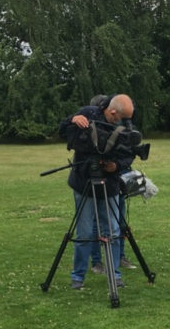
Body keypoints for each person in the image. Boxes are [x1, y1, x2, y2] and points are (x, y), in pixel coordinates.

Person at [57, 93, 137, 289]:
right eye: (123, 118)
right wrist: (71, 120)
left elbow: (130, 154)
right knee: (84, 232)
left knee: (113, 231)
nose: (127, 122)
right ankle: (78, 278)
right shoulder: (87, 113)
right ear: (112, 111)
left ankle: (115, 275)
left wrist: (116, 166)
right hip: (84, 183)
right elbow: (62, 131)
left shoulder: (125, 126)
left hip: (109, 184)